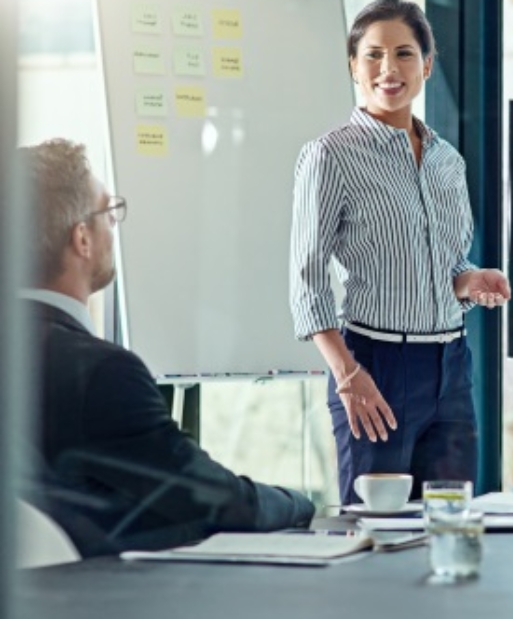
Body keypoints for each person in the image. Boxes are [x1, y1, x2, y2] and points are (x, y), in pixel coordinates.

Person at [19, 138, 315, 557]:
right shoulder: (101, 373)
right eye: (108, 211)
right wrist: (301, 503)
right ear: (81, 238)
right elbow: (217, 501)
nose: (113, 224)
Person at [289, 0, 510, 506]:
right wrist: (346, 373)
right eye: (373, 55)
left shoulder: (447, 162)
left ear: (427, 65)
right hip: (374, 366)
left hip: (452, 367)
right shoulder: (330, 155)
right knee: (376, 534)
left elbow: (449, 263)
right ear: (352, 66)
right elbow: (307, 278)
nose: (389, 69)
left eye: (404, 54)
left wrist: (469, 280)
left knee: (451, 525)